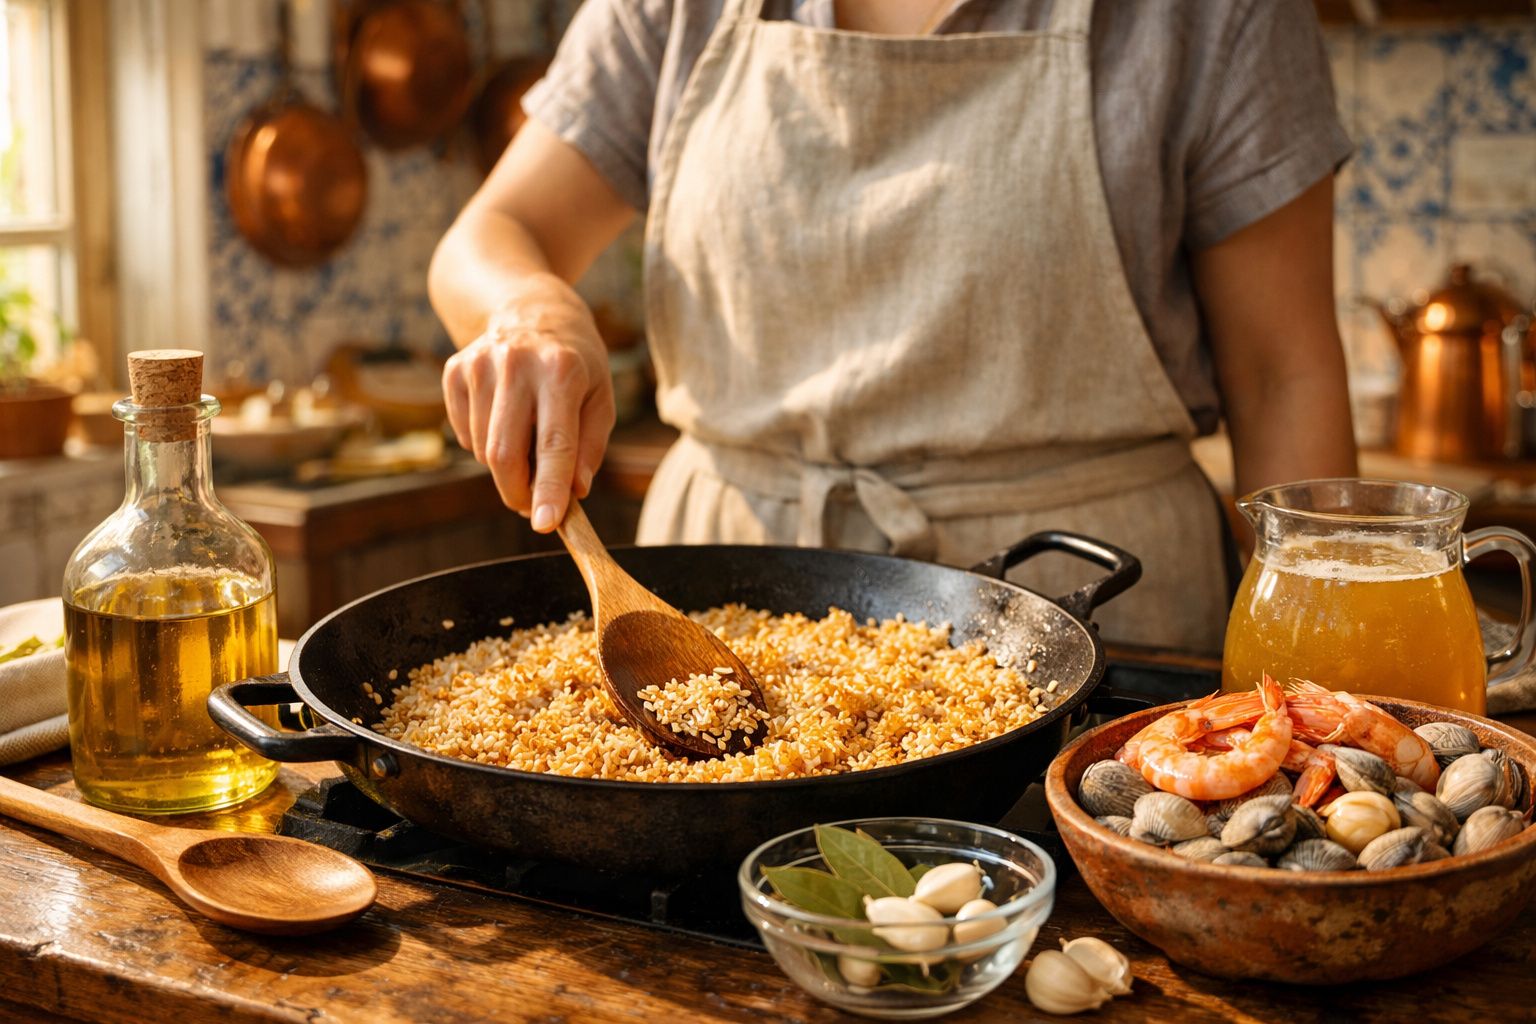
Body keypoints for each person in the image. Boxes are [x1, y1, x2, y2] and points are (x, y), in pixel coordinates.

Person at [429, 0, 1358, 652]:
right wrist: (533, 310)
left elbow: (1283, 372)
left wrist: (1321, 670)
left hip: (1090, 610)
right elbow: (493, 233)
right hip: (725, 602)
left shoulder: (1218, 15)